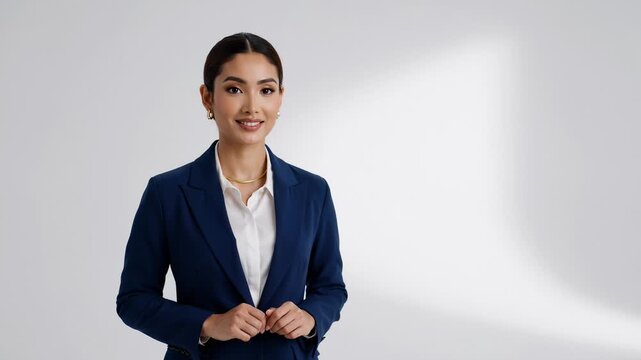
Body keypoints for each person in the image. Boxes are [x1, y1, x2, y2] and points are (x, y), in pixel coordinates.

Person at [115, 32, 348, 360]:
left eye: (266, 90)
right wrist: (208, 324)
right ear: (207, 98)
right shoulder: (167, 193)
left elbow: (330, 288)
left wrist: (310, 317)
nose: (252, 106)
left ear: (280, 98)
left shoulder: (313, 191)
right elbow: (133, 300)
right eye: (234, 89)